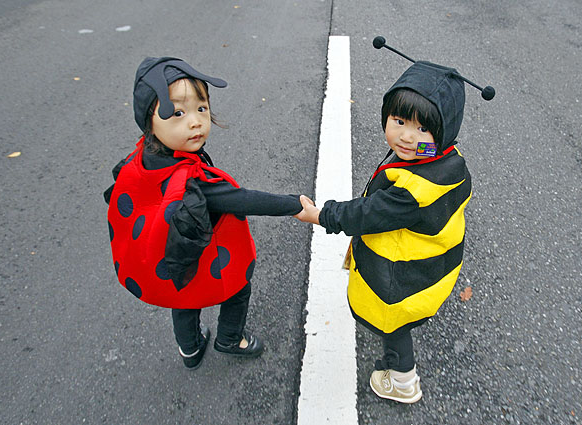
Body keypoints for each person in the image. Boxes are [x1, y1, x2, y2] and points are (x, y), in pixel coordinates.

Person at [105, 57, 302, 370]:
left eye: (201, 108)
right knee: (238, 287)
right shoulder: (194, 181)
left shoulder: (143, 159)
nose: (195, 122)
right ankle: (229, 338)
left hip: (171, 258)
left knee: (181, 300)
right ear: (150, 122)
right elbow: (243, 200)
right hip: (201, 254)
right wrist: (296, 204)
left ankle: (190, 348)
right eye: (178, 113)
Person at [295, 61, 473, 403]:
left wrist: (321, 214)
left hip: (402, 274)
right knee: (401, 318)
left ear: (445, 130)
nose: (407, 136)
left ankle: (403, 380)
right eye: (399, 121)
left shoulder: (413, 191)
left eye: (423, 129)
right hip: (431, 262)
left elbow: (368, 212)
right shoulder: (445, 158)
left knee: (394, 323)